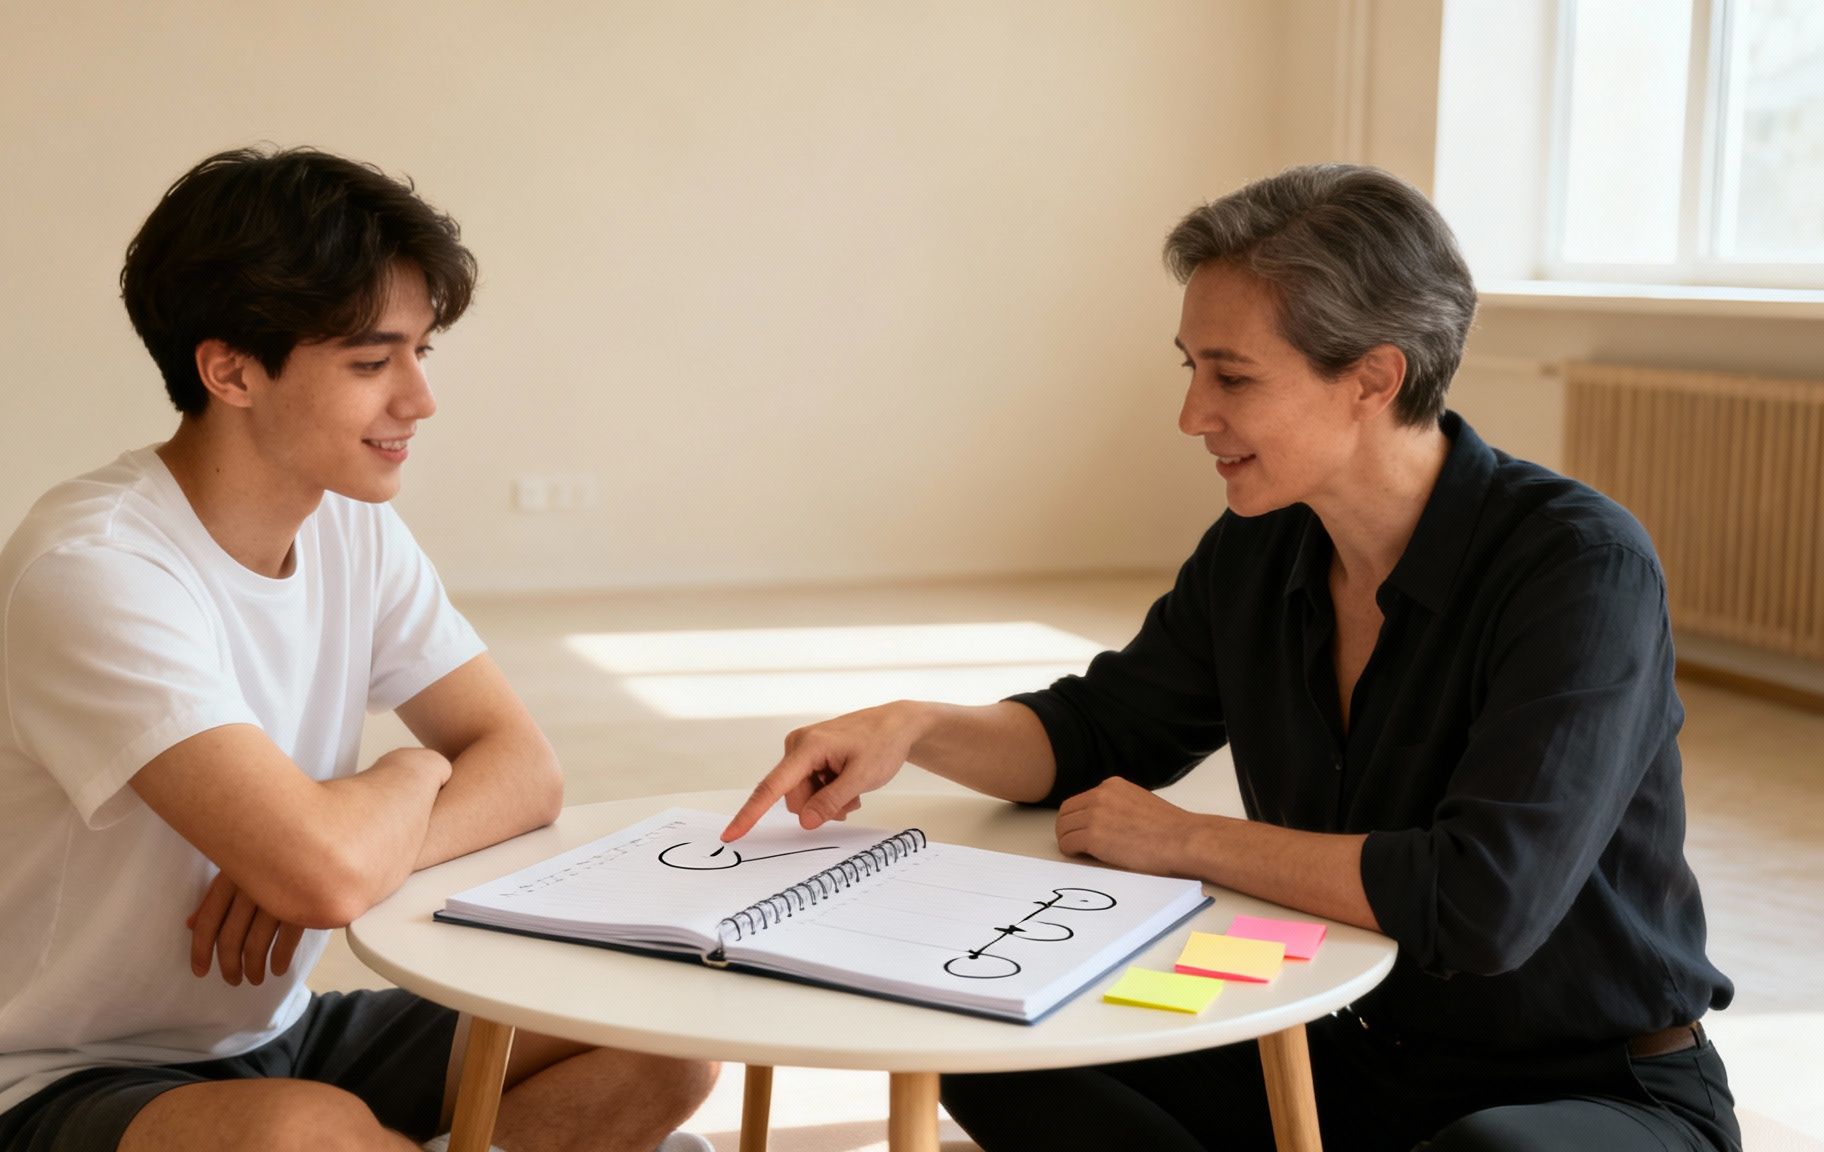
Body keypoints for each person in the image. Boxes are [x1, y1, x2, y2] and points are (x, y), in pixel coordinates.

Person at [721, 164, 1741, 1151]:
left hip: (1595, 1089)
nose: (1190, 415)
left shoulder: (1576, 565)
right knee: (985, 1047)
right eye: (1190, 366)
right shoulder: (1260, 545)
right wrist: (913, 727)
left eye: (1231, 377)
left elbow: (1480, 905)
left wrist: (1184, 841)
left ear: (1371, 379)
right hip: (1347, 1056)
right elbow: (1093, 731)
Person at [0, 147, 717, 1152]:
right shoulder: (92, 570)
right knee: (300, 1135)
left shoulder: (348, 525)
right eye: (371, 363)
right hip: (32, 1088)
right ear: (229, 368)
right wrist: (402, 775)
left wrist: (339, 847)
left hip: (269, 1035)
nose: (418, 399)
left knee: (658, 1034)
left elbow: (522, 769)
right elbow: (321, 872)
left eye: (419, 353)